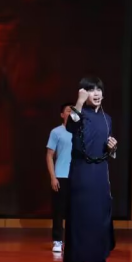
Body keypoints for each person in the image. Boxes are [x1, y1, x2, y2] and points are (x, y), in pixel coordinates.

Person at [62, 77, 117, 262]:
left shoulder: (107, 118)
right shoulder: (78, 113)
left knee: (100, 225)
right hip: (81, 175)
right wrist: (78, 101)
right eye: (91, 90)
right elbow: (71, 126)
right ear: (83, 93)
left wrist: (112, 149)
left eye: (98, 90)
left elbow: (105, 149)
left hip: (100, 178)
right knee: (77, 224)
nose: (96, 93)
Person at [46, 103, 73, 253]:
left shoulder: (81, 132)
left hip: (76, 177)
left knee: (74, 212)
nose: (71, 112)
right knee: (58, 211)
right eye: (68, 110)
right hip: (61, 176)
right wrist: (53, 177)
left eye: (74, 110)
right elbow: (49, 155)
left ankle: (73, 241)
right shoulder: (56, 132)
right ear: (62, 115)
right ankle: (57, 240)